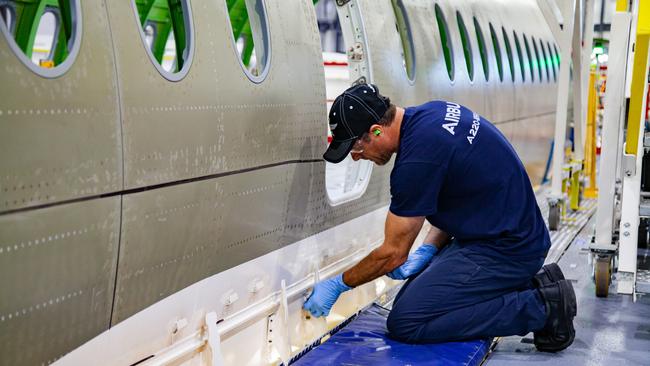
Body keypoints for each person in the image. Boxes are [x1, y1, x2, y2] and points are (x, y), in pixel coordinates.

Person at [303, 83, 576, 352]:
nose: (355, 157)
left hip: (508, 249)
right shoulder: (432, 115)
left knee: (407, 322)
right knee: (409, 302)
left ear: (376, 131)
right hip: (504, 234)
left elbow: (392, 255)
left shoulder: (416, 163)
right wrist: (429, 248)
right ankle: (540, 282)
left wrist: (340, 284)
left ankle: (542, 307)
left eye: (356, 147)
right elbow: (457, 193)